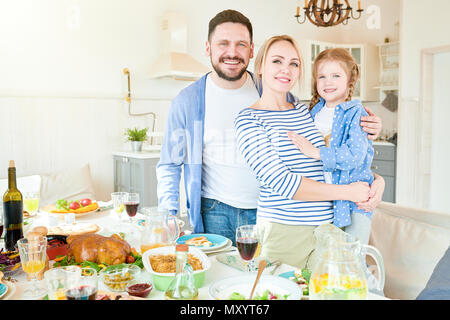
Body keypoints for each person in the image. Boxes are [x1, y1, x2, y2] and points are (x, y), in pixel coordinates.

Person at [156, 9, 383, 246]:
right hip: (216, 211)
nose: (232, 52)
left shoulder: (288, 100)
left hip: (272, 213)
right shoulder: (188, 101)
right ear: (208, 48)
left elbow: (324, 153)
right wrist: (168, 214)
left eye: (241, 44)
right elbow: (170, 163)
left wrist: (375, 179)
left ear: (252, 51)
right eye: (223, 43)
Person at [234, 35, 385, 267]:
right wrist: (348, 192)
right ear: (261, 66)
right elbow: (282, 182)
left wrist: (377, 181)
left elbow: (332, 160)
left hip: (329, 230)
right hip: (285, 233)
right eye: (277, 61)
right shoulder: (249, 119)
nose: (286, 69)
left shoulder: (307, 112)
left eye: (294, 63)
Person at [287, 48, 376, 245]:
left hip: (355, 202)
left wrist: (316, 152)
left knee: (353, 258)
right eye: (322, 76)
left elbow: (355, 155)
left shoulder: (355, 112)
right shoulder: (313, 112)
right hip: (327, 200)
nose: (328, 82)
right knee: (331, 258)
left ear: (350, 80)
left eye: (336, 75)